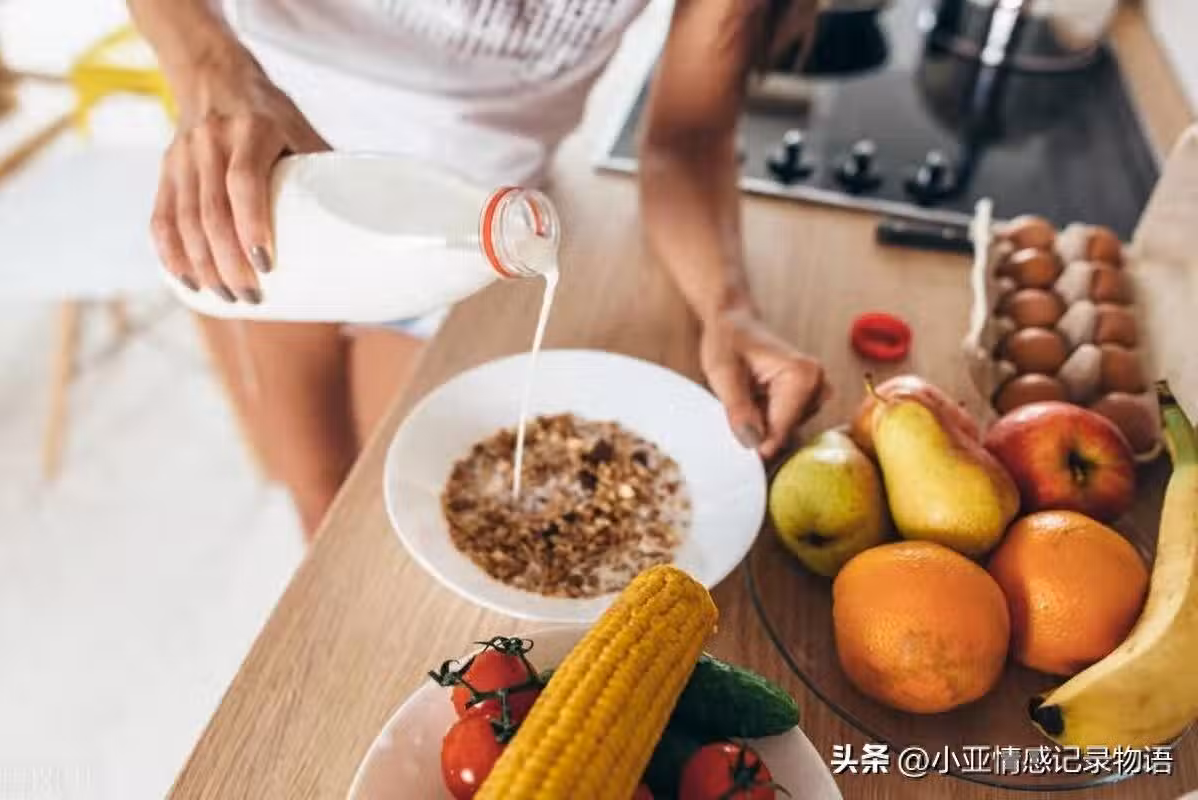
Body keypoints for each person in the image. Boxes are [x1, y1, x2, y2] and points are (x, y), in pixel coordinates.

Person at [129, 0, 828, 539]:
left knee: (377, 525)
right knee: (312, 489)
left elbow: (687, 141)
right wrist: (213, 72)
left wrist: (728, 309)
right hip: (269, 197)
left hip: (469, 243)